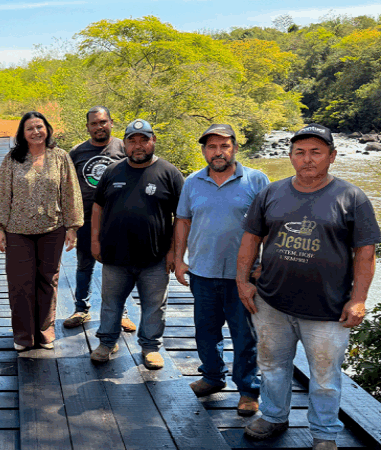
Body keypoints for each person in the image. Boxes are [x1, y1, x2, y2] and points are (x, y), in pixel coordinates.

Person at [237, 124, 380, 450]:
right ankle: (273, 416)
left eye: (316, 152)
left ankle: (324, 433)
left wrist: (358, 299)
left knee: (326, 377)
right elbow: (250, 240)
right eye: (300, 152)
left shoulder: (352, 197)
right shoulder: (270, 193)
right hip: (272, 302)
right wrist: (242, 282)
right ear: (290, 156)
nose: (307, 159)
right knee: (272, 366)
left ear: (332, 155)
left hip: (328, 308)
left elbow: (366, 253)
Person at [173, 124, 268, 416]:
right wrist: (179, 260)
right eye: (212, 147)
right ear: (204, 151)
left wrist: (265, 264)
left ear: (235, 148)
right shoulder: (192, 182)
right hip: (202, 272)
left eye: (224, 146)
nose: (218, 152)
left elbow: (271, 226)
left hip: (242, 276)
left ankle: (248, 390)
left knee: (244, 335)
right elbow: (183, 221)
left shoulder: (256, 180)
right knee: (206, 331)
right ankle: (212, 377)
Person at [90, 119, 183, 368]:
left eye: (144, 140)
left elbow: (182, 218)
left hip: (155, 257)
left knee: (154, 306)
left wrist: (175, 252)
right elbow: (97, 207)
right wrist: (95, 241)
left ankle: (150, 347)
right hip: (114, 255)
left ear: (153, 141)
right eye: (132, 140)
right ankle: (107, 342)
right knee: (111, 303)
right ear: (125, 144)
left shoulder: (170, 173)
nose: (138, 146)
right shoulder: (112, 171)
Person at [0, 111, 83, 351]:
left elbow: (71, 193)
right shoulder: (12, 159)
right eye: (30, 128)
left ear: (47, 129)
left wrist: (72, 227)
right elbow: (1, 194)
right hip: (17, 230)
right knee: (20, 283)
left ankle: (45, 333)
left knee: (47, 281)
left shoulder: (60, 157)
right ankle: (23, 336)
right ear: (23, 133)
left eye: (40, 127)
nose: (36, 132)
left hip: (52, 228)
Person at [64, 106, 135, 332]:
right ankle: (81, 309)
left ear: (111, 123)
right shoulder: (76, 152)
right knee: (84, 265)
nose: (99, 127)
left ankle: (121, 312)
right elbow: (66, 187)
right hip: (85, 219)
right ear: (87, 127)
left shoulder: (124, 148)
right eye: (94, 123)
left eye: (103, 122)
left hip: (118, 220)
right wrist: (70, 224)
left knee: (118, 267)